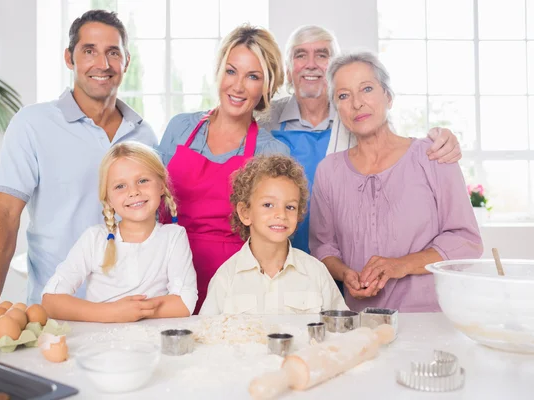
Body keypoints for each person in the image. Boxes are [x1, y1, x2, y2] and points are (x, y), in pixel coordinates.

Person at [0, 10, 157, 322]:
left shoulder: (144, 135)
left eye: (113, 52)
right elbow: (5, 211)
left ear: (126, 61)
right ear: (70, 58)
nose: (102, 64)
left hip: (130, 310)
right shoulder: (33, 124)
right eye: (89, 51)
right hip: (56, 312)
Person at [259, 25, 462, 255]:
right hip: (281, 248)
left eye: (322, 55)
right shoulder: (266, 120)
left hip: (348, 256)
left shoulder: (360, 117)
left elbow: (396, 151)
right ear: (287, 70)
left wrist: (441, 138)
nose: (311, 64)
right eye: (300, 55)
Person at [309, 51, 483, 313]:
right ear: (338, 109)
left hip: (430, 317)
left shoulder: (433, 155)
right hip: (361, 321)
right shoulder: (328, 171)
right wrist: (345, 274)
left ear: (388, 97)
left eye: (366, 89)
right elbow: (323, 247)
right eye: (344, 95)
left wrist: (399, 265)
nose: (357, 103)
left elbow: (466, 241)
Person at [158, 25, 290, 314]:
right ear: (219, 72)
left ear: (266, 86)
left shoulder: (271, 153)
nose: (238, 86)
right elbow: (151, 205)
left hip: (236, 287)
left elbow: (276, 234)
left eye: (253, 76)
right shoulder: (180, 129)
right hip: (168, 280)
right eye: (231, 71)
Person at [41, 142, 197, 322]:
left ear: (161, 185)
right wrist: (114, 313)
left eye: (142, 181)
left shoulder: (173, 236)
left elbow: (185, 302)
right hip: (100, 345)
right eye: (120, 186)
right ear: (108, 198)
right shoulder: (94, 239)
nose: (134, 192)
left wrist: (137, 311)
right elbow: (51, 300)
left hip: (152, 345)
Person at [200, 155, 346, 315]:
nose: (281, 214)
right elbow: (208, 333)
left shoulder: (316, 272)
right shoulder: (226, 278)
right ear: (245, 212)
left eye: (290, 207)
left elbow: (342, 330)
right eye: (268, 205)